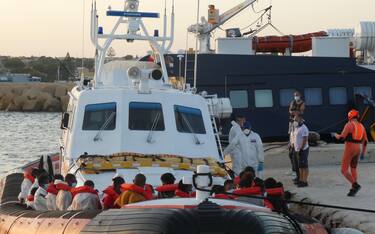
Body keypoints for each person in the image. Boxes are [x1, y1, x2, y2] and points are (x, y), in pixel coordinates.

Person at [334, 109, 368, 196]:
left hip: (350, 148)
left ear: (349, 117)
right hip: (358, 149)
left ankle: (355, 185)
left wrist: (335, 135)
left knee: (344, 170)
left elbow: (342, 138)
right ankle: (353, 189)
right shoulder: (362, 126)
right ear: (357, 116)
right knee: (353, 168)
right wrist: (363, 153)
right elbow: (365, 141)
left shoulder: (349, 125)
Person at [291, 115, 310, 187]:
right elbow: (294, 137)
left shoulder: (304, 128)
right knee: (300, 166)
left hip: (303, 150)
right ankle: (301, 180)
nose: (294, 121)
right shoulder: (296, 127)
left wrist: (301, 149)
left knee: (304, 166)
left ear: (300, 119)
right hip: (297, 150)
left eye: (296, 120)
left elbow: (305, 140)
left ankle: (304, 181)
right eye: (294, 120)